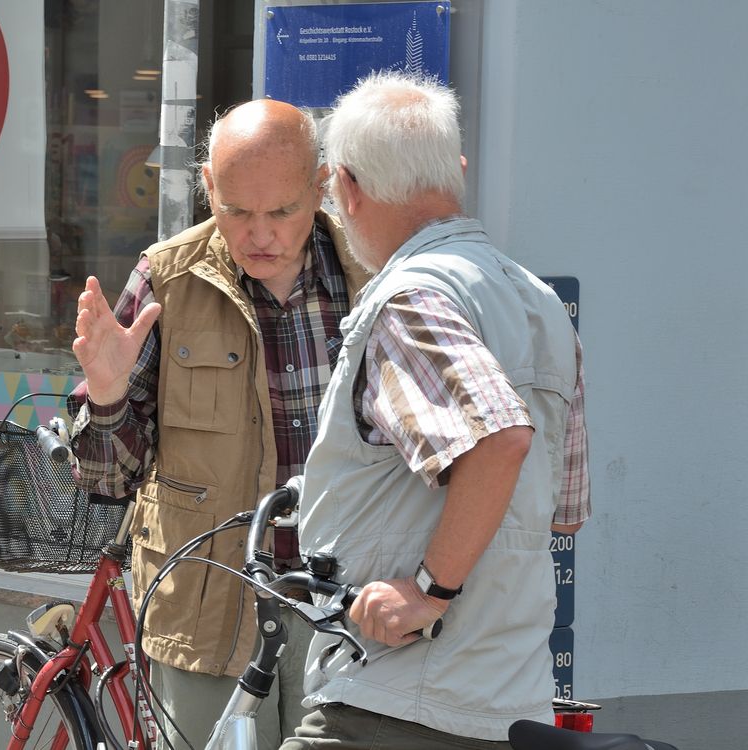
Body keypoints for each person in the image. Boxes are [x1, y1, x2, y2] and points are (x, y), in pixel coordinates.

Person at [280, 71, 591, 750]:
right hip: (507, 693)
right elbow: (560, 506)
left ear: (348, 187)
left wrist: (430, 591)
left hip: (400, 695)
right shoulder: (537, 301)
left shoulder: (414, 298)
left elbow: (499, 438)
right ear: (457, 172)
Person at [68, 98, 370, 749]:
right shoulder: (167, 280)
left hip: (345, 611)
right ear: (208, 186)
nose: (259, 233)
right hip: (212, 617)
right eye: (236, 211)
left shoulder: (369, 276)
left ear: (320, 187)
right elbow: (103, 481)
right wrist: (107, 394)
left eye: (282, 211)